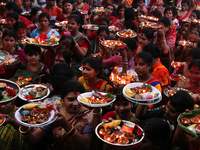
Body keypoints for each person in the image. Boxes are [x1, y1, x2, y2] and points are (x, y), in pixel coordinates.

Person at [19, 80, 93, 150]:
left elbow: (86, 145)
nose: (75, 104)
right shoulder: (55, 114)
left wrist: (66, 125)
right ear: (62, 100)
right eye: (71, 99)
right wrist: (24, 129)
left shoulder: (89, 117)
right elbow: (33, 140)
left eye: (79, 99)